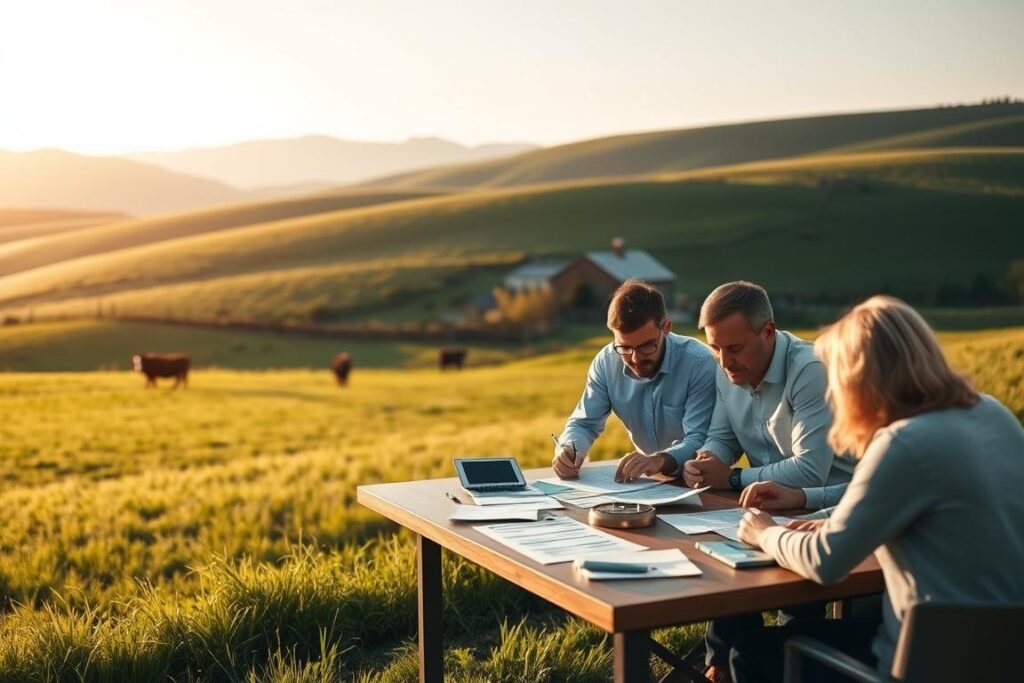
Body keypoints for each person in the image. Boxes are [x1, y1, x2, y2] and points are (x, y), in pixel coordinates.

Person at [732, 296, 1024, 682]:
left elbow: (826, 562)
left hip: (921, 663)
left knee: (751, 652)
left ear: (858, 380)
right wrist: (828, 519)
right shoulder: (993, 414)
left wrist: (766, 533)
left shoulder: (904, 442)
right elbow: (929, 510)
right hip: (1004, 657)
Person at [682, 281, 855, 680]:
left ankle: (763, 663)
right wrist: (706, 460)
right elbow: (723, 437)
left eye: (734, 348)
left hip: (826, 510)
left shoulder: (810, 370)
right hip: (768, 507)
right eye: (715, 347)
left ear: (768, 332)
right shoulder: (727, 368)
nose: (724, 361)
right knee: (725, 565)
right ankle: (722, 666)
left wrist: (735, 476)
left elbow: (811, 468)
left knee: (777, 607)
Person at [552, 279, 717, 482]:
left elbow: (699, 440)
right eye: (625, 348)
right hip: (649, 482)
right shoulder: (606, 362)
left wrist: (658, 460)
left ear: (666, 327)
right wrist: (568, 449)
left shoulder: (699, 364)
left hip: (699, 482)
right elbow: (584, 424)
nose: (636, 358)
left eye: (647, 346)